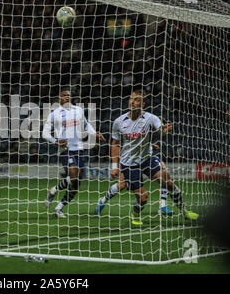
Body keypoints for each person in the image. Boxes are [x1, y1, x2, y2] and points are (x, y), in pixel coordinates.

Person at [95, 89, 198, 226]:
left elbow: (160, 128)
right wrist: (114, 166)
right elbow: (115, 144)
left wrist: (164, 130)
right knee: (142, 198)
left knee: (168, 180)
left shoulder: (150, 118)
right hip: (129, 164)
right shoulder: (119, 122)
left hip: (147, 159)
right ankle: (135, 214)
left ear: (142, 104)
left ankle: (184, 212)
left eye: (136, 99)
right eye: (131, 99)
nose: (132, 101)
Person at [42, 89, 106, 218]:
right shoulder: (54, 114)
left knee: (76, 184)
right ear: (59, 98)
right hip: (66, 149)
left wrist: (95, 134)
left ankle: (58, 206)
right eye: (64, 95)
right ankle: (54, 192)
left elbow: (86, 125)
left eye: (69, 96)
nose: (67, 97)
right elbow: (45, 133)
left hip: (80, 149)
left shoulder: (78, 110)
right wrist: (55, 141)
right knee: (74, 176)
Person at [95, 144, 174, 216]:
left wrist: (150, 145)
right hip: (131, 160)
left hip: (147, 157)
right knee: (122, 185)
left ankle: (162, 206)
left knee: (166, 177)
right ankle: (103, 200)